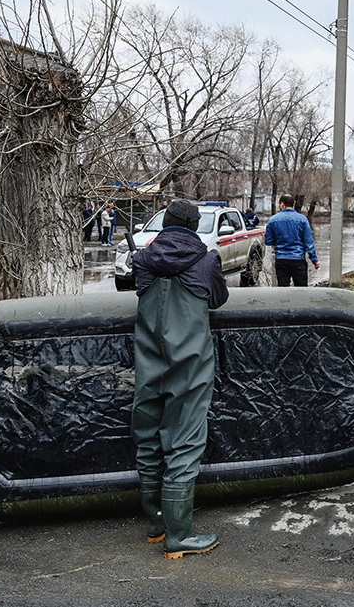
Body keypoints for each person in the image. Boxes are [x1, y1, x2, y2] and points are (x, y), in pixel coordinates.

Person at [131, 199, 229, 559]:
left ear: (165, 223)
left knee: (147, 439)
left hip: (148, 365)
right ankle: (179, 535)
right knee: (184, 443)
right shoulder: (206, 260)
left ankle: (155, 525)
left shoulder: (142, 259)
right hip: (189, 366)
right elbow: (217, 298)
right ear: (193, 226)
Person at [263, 194, 319, 286]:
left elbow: (268, 241)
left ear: (282, 204)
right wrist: (314, 260)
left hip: (281, 259)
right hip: (298, 259)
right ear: (293, 204)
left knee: (283, 290)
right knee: (301, 290)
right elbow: (308, 242)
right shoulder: (302, 219)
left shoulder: (273, 220)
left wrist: (279, 240)